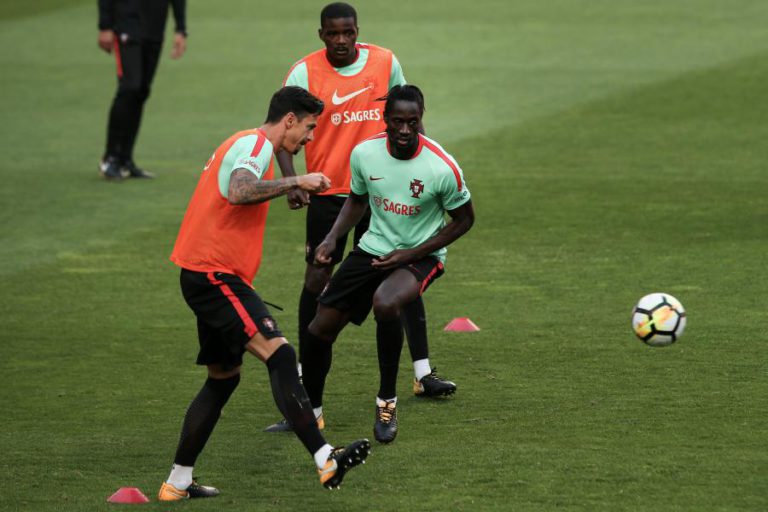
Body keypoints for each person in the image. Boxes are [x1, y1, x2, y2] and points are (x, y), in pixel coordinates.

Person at [158, 87, 371, 501]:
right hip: (214, 275)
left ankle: (177, 482)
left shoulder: (246, 145)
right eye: (309, 128)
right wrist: (297, 178)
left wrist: (286, 185)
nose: (309, 139)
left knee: (223, 378)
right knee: (282, 354)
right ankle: (325, 457)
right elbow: (239, 190)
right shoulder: (255, 144)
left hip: (206, 274)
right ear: (289, 120)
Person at [265, 1, 455, 433]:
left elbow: (410, 116)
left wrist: (420, 170)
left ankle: (422, 372)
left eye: (347, 32)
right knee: (316, 278)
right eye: (332, 34)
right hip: (329, 192)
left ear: (357, 30)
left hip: (380, 191)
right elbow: (281, 127)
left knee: (397, 275)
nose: (341, 40)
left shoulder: (385, 62)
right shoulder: (304, 72)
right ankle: (304, 382)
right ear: (321, 34)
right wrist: (293, 180)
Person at [301, 85, 475, 444]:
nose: (406, 130)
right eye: (398, 121)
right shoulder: (365, 154)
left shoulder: (442, 167)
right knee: (319, 328)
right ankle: (312, 411)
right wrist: (332, 238)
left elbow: (463, 221)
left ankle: (386, 402)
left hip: (421, 256)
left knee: (386, 302)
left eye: (413, 121)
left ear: (421, 119)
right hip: (374, 249)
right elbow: (356, 200)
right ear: (386, 120)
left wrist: (410, 255)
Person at [97, 0, 188, 180]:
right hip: (127, 24)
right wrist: (105, 25)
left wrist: (180, 28)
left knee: (141, 91)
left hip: (154, 26)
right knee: (130, 87)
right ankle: (110, 157)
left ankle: (125, 159)